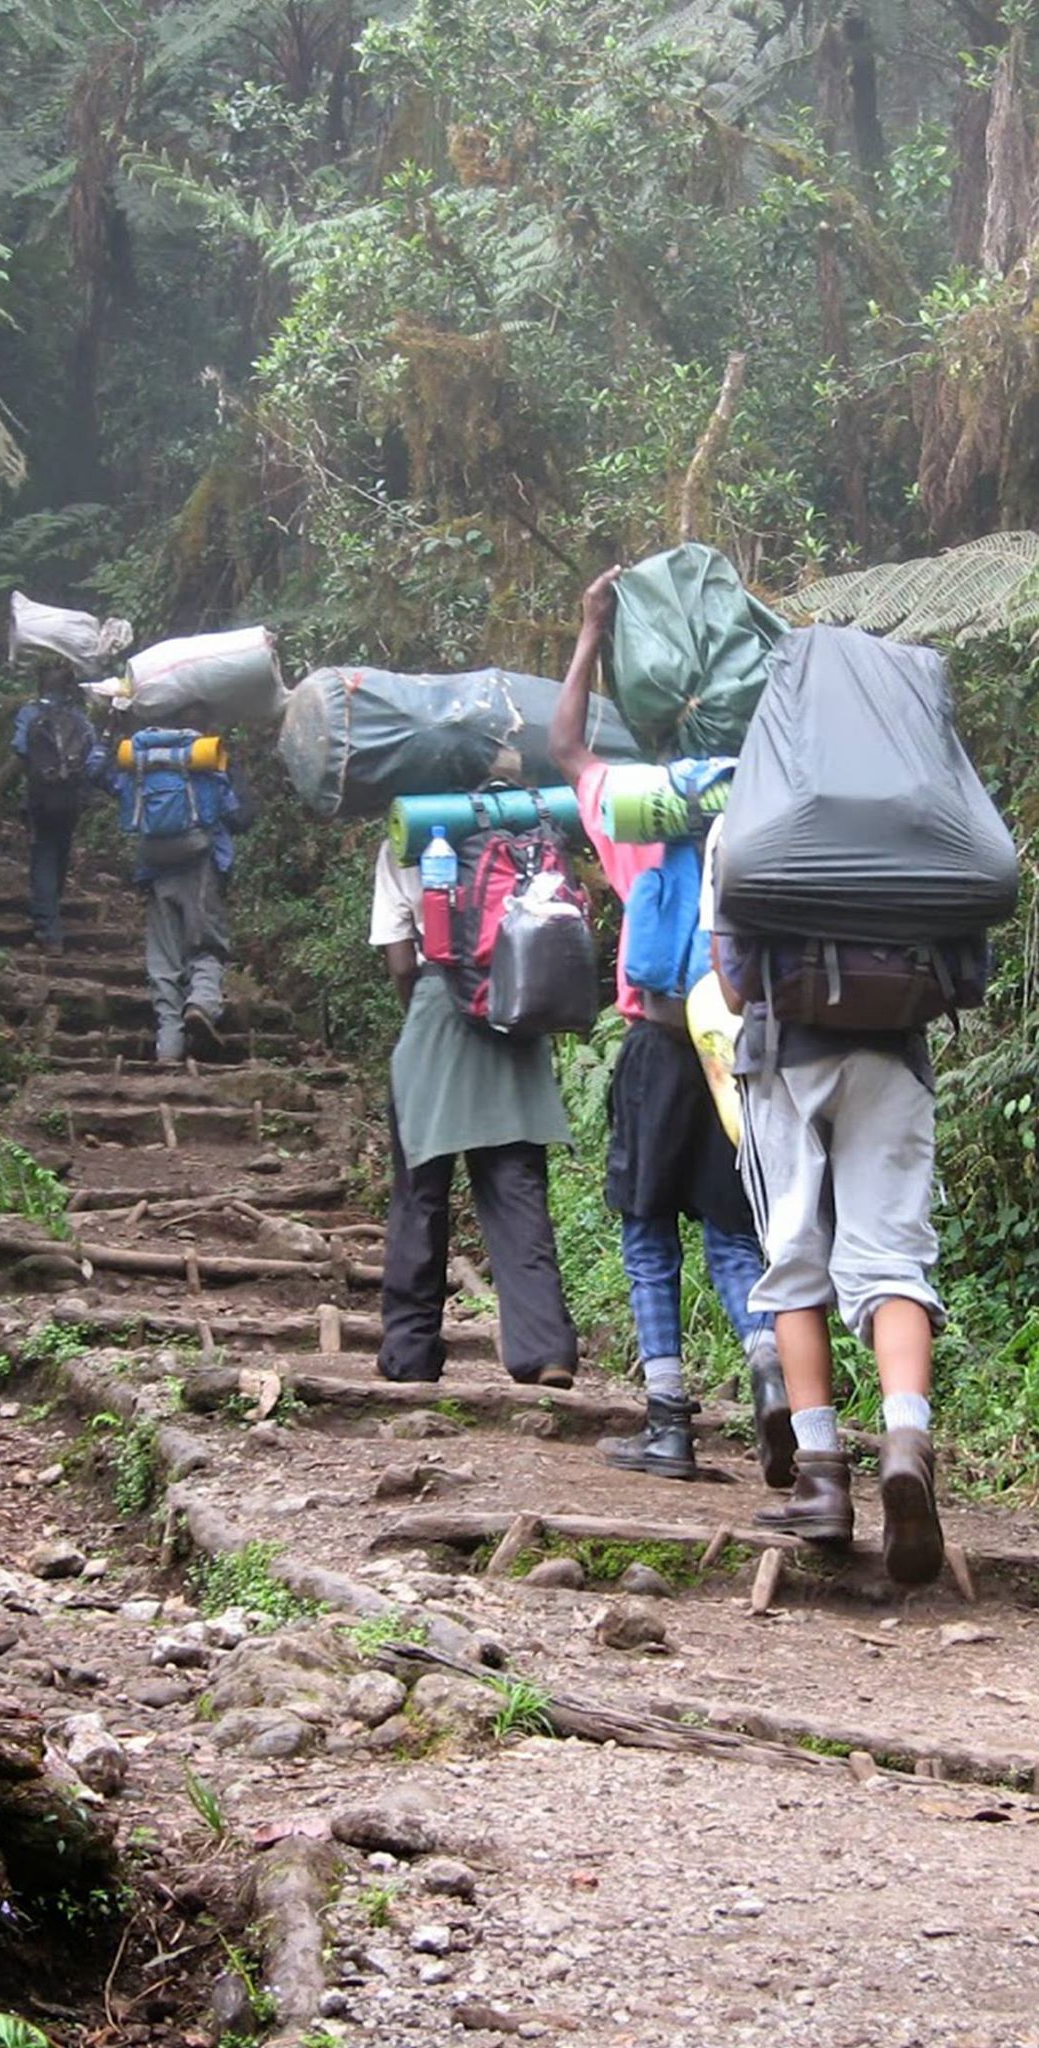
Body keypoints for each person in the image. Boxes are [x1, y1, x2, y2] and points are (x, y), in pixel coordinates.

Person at [548, 567, 791, 1485]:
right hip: (737, 1050)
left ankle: (668, 1424)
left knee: (646, 1228)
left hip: (657, 1041)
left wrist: (589, 630)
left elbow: (566, 747)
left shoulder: (642, 803)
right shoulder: (765, 807)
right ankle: (772, 1382)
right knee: (733, 1235)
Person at [713, 913, 946, 1584]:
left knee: (792, 1265)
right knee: (891, 1262)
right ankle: (905, 1443)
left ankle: (819, 1480)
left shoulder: (744, 816)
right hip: (892, 1048)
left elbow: (731, 989)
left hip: (781, 1051)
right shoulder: (913, 803)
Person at [371, 837, 579, 1389]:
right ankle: (546, 1351)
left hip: (439, 1009)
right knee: (517, 1193)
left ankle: (409, 1352)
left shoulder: (408, 833)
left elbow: (398, 958)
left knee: (420, 1193)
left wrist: (431, 1006)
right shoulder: (530, 828)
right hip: (515, 1011)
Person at [96, 702, 253, 1063]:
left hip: (155, 868)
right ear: (206, 728)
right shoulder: (209, 763)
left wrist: (110, 727)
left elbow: (99, 775)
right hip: (201, 866)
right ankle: (201, 1003)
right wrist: (236, 772)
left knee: (163, 961)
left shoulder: (144, 763)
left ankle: (168, 1047)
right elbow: (242, 817)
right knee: (206, 946)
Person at [10, 662, 98, 955]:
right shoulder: (79, 718)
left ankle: (49, 929)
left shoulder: (30, 713)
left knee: (43, 853)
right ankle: (49, 912)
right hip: (71, 798)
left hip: (40, 796)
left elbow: (21, 747)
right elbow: (92, 753)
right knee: (60, 850)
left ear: (42, 685)